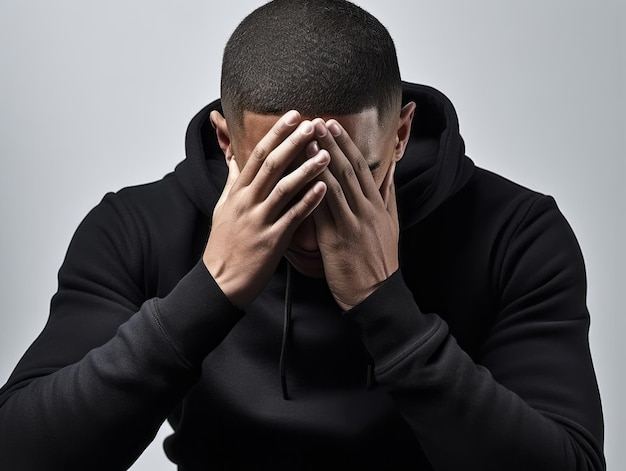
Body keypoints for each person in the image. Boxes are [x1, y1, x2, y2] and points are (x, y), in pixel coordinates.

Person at [0, 0, 605, 469]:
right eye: (281, 180)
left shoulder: (516, 232)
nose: (316, 228)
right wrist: (209, 293)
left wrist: (388, 311)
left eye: (350, 177)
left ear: (400, 133)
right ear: (226, 142)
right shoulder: (137, 227)